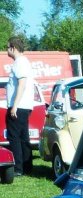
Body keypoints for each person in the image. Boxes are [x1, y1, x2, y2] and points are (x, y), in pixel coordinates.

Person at [6, 35, 35, 177]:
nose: (6, 50)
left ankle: (18, 168)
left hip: (19, 105)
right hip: (24, 105)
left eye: (7, 47)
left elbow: (22, 85)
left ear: (13, 48)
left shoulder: (20, 62)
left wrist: (14, 106)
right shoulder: (24, 62)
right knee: (23, 137)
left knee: (14, 137)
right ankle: (27, 166)